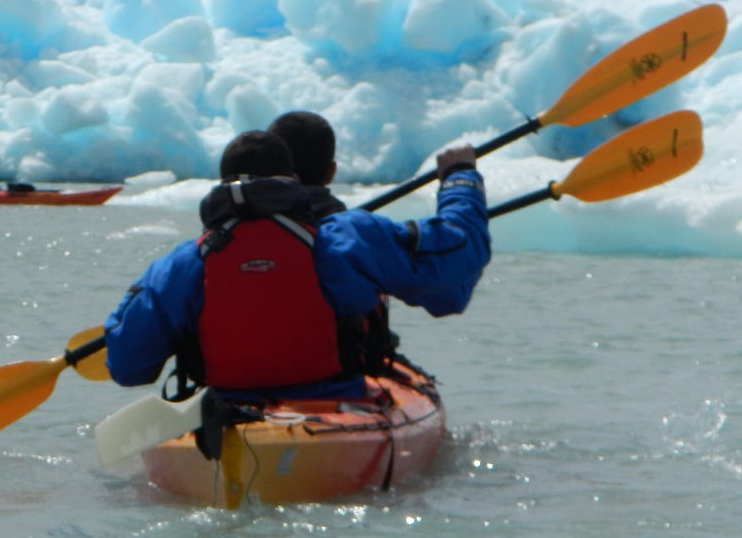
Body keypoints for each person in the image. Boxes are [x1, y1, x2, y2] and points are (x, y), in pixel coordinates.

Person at [104, 126, 489, 406]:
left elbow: (128, 366)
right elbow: (454, 265)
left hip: (231, 412)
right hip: (339, 405)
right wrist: (460, 181)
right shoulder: (345, 240)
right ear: (294, 181)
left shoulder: (182, 264)